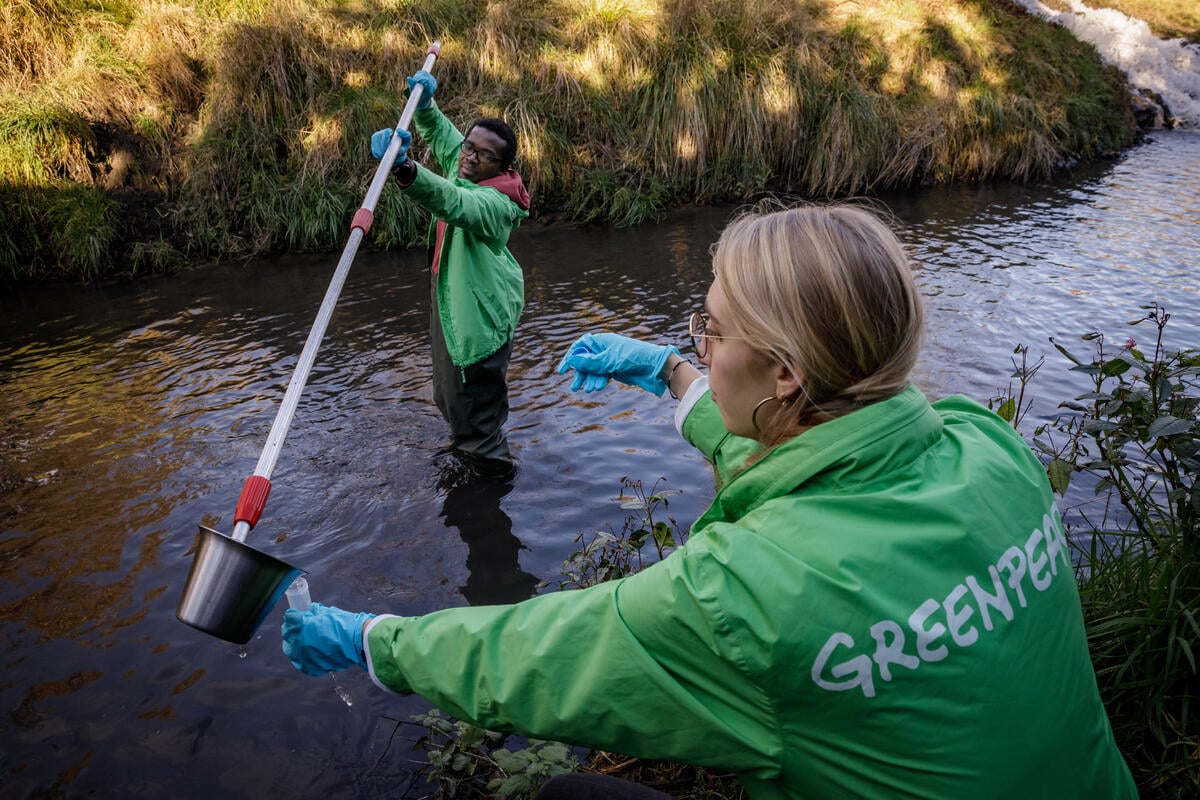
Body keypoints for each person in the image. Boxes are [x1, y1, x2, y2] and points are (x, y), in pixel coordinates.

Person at [281, 203, 1137, 799]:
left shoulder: (751, 593)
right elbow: (818, 461)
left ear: (787, 373)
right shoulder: (986, 447)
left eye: (712, 331)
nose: (700, 340)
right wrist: (675, 376)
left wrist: (376, 641)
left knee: (575, 798)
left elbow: (540, 656)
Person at [371, 69, 531, 481]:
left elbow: (454, 202)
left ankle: (493, 481)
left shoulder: (496, 205)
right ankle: (467, 452)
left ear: (501, 167)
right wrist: (425, 106)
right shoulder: (466, 165)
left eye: (483, 154)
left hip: (477, 319)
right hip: (453, 300)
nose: (469, 156)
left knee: (474, 408)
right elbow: (445, 139)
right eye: (469, 146)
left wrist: (406, 170)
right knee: (448, 396)